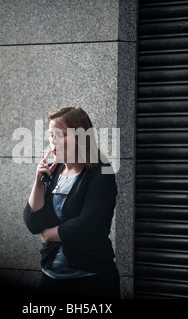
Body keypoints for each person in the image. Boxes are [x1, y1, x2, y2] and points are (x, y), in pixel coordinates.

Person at [23, 107, 120, 299]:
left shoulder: (102, 171)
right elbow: (34, 224)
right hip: (50, 279)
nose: (53, 142)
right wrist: (38, 183)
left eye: (60, 135)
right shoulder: (55, 170)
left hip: (91, 282)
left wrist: (50, 234)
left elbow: (88, 224)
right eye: (51, 135)